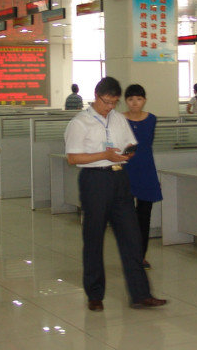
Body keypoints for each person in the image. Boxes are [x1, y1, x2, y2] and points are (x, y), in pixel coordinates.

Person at [64, 76, 167, 311]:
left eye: (114, 103)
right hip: (95, 180)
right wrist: (104, 155)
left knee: (131, 237)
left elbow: (131, 144)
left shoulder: (119, 119)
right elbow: (73, 158)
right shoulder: (80, 123)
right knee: (94, 237)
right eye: (106, 102)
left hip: (120, 178)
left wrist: (127, 153)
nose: (110, 107)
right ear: (96, 96)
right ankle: (95, 295)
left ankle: (141, 294)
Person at [123, 84, 163, 269]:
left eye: (139, 99)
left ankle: (141, 256)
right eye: (131, 99)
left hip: (146, 170)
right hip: (125, 169)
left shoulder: (151, 119)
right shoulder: (119, 119)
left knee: (144, 215)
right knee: (126, 216)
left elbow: (147, 143)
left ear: (144, 100)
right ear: (126, 101)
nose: (135, 103)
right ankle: (130, 254)